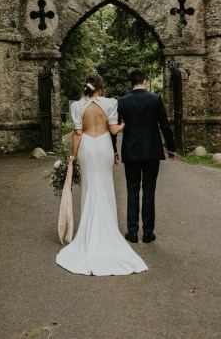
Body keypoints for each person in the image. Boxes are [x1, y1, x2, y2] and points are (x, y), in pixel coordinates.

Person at [56, 72, 147, 276]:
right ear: (100, 86)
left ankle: (88, 234)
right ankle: (107, 231)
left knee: (90, 187)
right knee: (104, 187)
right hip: (104, 146)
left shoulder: (77, 106)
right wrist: (124, 124)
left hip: (87, 147)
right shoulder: (110, 103)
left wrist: (72, 157)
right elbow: (114, 131)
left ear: (86, 87)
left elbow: (78, 134)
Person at [118, 69, 175, 244]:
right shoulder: (155, 99)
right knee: (149, 191)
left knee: (132, 190)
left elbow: (116, 127)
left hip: (131, 151)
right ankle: (148, 233)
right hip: (152, 151)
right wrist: (171, 148)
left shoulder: (122, 101)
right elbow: (164, 125)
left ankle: (133, 232)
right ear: (145, 81)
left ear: (131, 83)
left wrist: (113, 150)